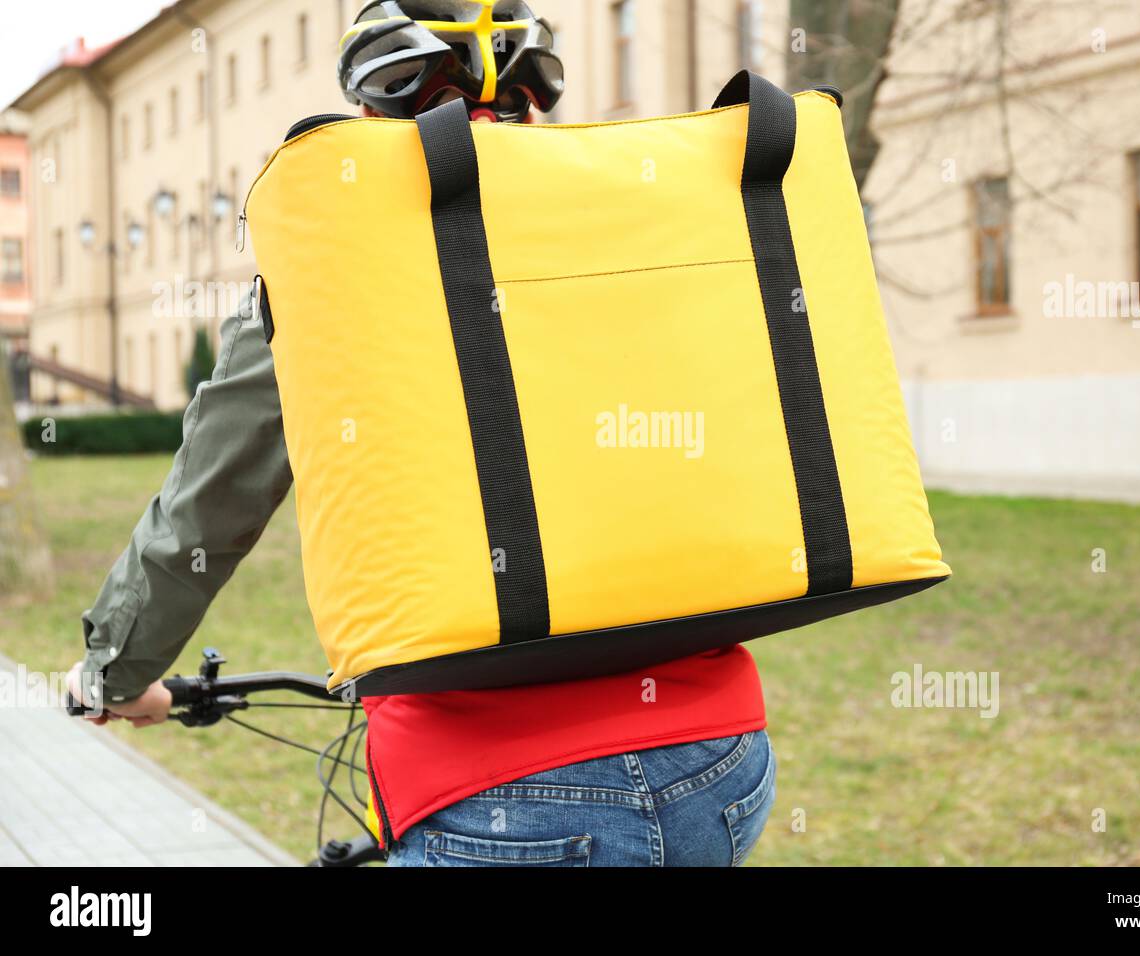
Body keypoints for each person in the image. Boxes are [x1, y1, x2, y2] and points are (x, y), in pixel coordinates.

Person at [68, 0, 775, 867]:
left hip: (504, 791)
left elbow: (210, 501)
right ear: (532, 103)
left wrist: (115, 670)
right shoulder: (626, 220)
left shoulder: (331, 258)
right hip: (723, 759)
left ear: (374, 113)